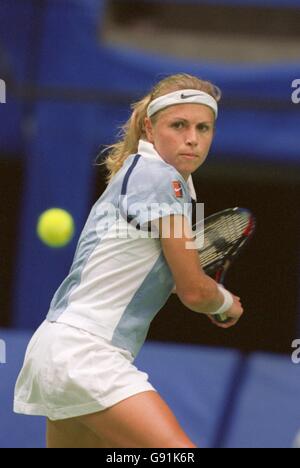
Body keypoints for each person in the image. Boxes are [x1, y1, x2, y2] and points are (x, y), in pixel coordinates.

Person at [14, 73, 244, 448]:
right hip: (86, 353)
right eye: (179, 125)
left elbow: (163, 281)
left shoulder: (149, 175)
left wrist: (200, 291)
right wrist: (223, 303)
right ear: (150, 128)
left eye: (204, 128)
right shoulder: (160, 179)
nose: (192, 138)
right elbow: (193, 292)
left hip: (58, 347)